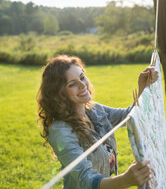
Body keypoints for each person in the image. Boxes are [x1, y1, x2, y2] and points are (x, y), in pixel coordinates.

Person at [37, 54, 158, 189]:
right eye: (72, 84)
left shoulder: (94, 109)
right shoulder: (60, 131)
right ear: (59, 94)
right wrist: (125, 180)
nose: (83, 85)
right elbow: (86, 179)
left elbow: (129, 117)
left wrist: (143, 85)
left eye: (82, 77)